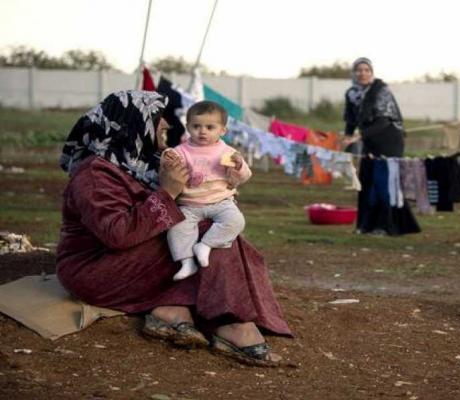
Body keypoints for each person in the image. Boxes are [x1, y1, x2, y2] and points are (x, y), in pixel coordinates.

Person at [56, 90, 290, 366]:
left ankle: (171, 309)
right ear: (133, 122)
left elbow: (188, 202)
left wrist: (218, 186)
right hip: (95, 269)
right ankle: (232, 323)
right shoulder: (95, 173)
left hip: (133, 257)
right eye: (156, 117)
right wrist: (168, 192)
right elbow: (117, 234)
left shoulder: (144, 162)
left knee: (215, 229)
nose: (166, 123)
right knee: (207, 234)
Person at [166, 101, 251, 281]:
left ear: (222, 130)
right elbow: (169, 171)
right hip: (190, 203)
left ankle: (205, 245)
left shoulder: (228, 152)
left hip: (221, 201)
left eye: (210, 127)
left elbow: (244, 176)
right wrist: (168, 161)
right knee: (177, 228)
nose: (202, 131)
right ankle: (187, 262)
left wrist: (240, 165)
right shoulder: (181, 151)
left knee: (236, 221)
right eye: (196, 126)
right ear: (188, 127)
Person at [342, 57, 420, 235]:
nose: (363, 73)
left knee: (384, 183)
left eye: (366, 70)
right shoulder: (352, 93)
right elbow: (350, 119)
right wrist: (347, 137)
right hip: (369, 141)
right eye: (359, 70)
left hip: (388, 141)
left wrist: (358, 136)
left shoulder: (381, 91)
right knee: (367, 183)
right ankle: (366, 225)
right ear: (354, 73)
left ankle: (388, 226)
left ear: (372, 72)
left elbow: (383, 122)